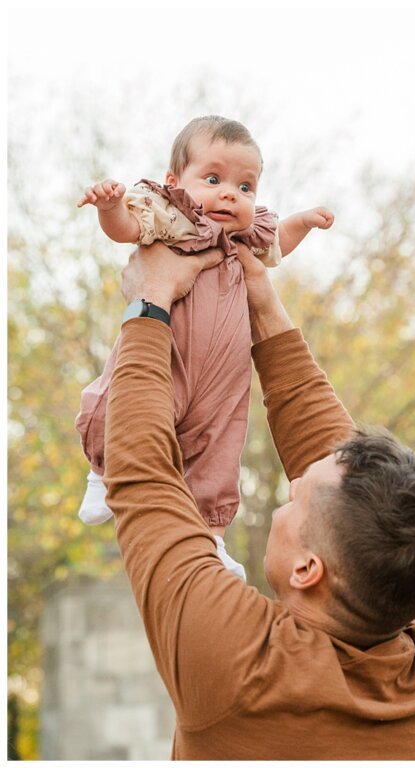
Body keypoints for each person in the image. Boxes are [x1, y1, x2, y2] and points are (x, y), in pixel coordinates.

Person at [101, 241, 415, 759]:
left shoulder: (237, 662)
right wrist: (262, 302)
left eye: (292, 501)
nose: (291, 486)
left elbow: (143, 475)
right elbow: (332, 459)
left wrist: (148, 304)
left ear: (307, 569)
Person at [75, 115, 334, 579]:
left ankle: (209, 534)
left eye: (245, 186)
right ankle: (103, 472)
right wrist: (108, 207)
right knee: (129, 408)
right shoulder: (174, 218)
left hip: (224, 374)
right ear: (176, 182)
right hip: (168, 354)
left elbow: (277, 246)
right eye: (213, 179)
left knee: (219, 447)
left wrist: (304, 223)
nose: (230, 194)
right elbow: (127, 228)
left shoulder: (246, 237)